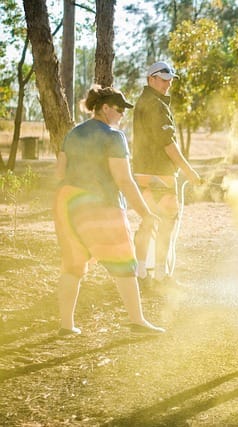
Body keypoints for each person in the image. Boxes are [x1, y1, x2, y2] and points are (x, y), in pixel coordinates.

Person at [53, 85, 165, 336]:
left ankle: (66, 325)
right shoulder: (113, 137)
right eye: (119, 110)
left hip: (68, 203)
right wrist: (146, 213)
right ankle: (138, 321)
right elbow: (124, 181)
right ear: (105, 109)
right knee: (124, 262)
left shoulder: (73, 134)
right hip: (101, 206)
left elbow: (59, 172)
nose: (122, 115)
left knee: (72, 265)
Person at [132, 61, 202, 287]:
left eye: (169, 79)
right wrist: (188, 170)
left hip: (141, 172)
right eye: (163, 79)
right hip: (160, 173)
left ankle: (141, 274)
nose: (168, 83)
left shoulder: (143, 101)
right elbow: (168, 143)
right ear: (150, 79)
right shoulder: (156, 104)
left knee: (147, 221)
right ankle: (160, 276)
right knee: (166, 223)